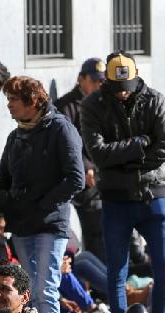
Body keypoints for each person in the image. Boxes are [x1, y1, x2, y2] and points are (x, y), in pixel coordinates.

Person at [80, 51, 165, 313]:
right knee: (116, 273)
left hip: (154, 195)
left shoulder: (156, 101)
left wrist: (124, 156)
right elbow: (99, 153)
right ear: (106, 81)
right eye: (117, 86)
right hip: (116, 198)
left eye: (129, 85)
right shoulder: (93, 105)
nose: (123, 92)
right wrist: (140, 145)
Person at [0, 76, 85, 313]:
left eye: (13, 99)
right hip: (21, 226)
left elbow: (76, 179)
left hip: (50, 225)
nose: (9, 105)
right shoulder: (15, 137)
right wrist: (4, 208)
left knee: (45, 292)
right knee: (28, 294)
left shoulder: (61, 129)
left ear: (32, 101)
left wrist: (43, 204)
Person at [55, 58, 107, 262]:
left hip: (95, 176)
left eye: (102, 81)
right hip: (76, 178)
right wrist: (86, 167)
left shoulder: (101, 103)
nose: (99, 85)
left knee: (98, 231)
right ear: (81, 79)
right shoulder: (67, 106)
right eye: (95, 81)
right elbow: (69, 143)